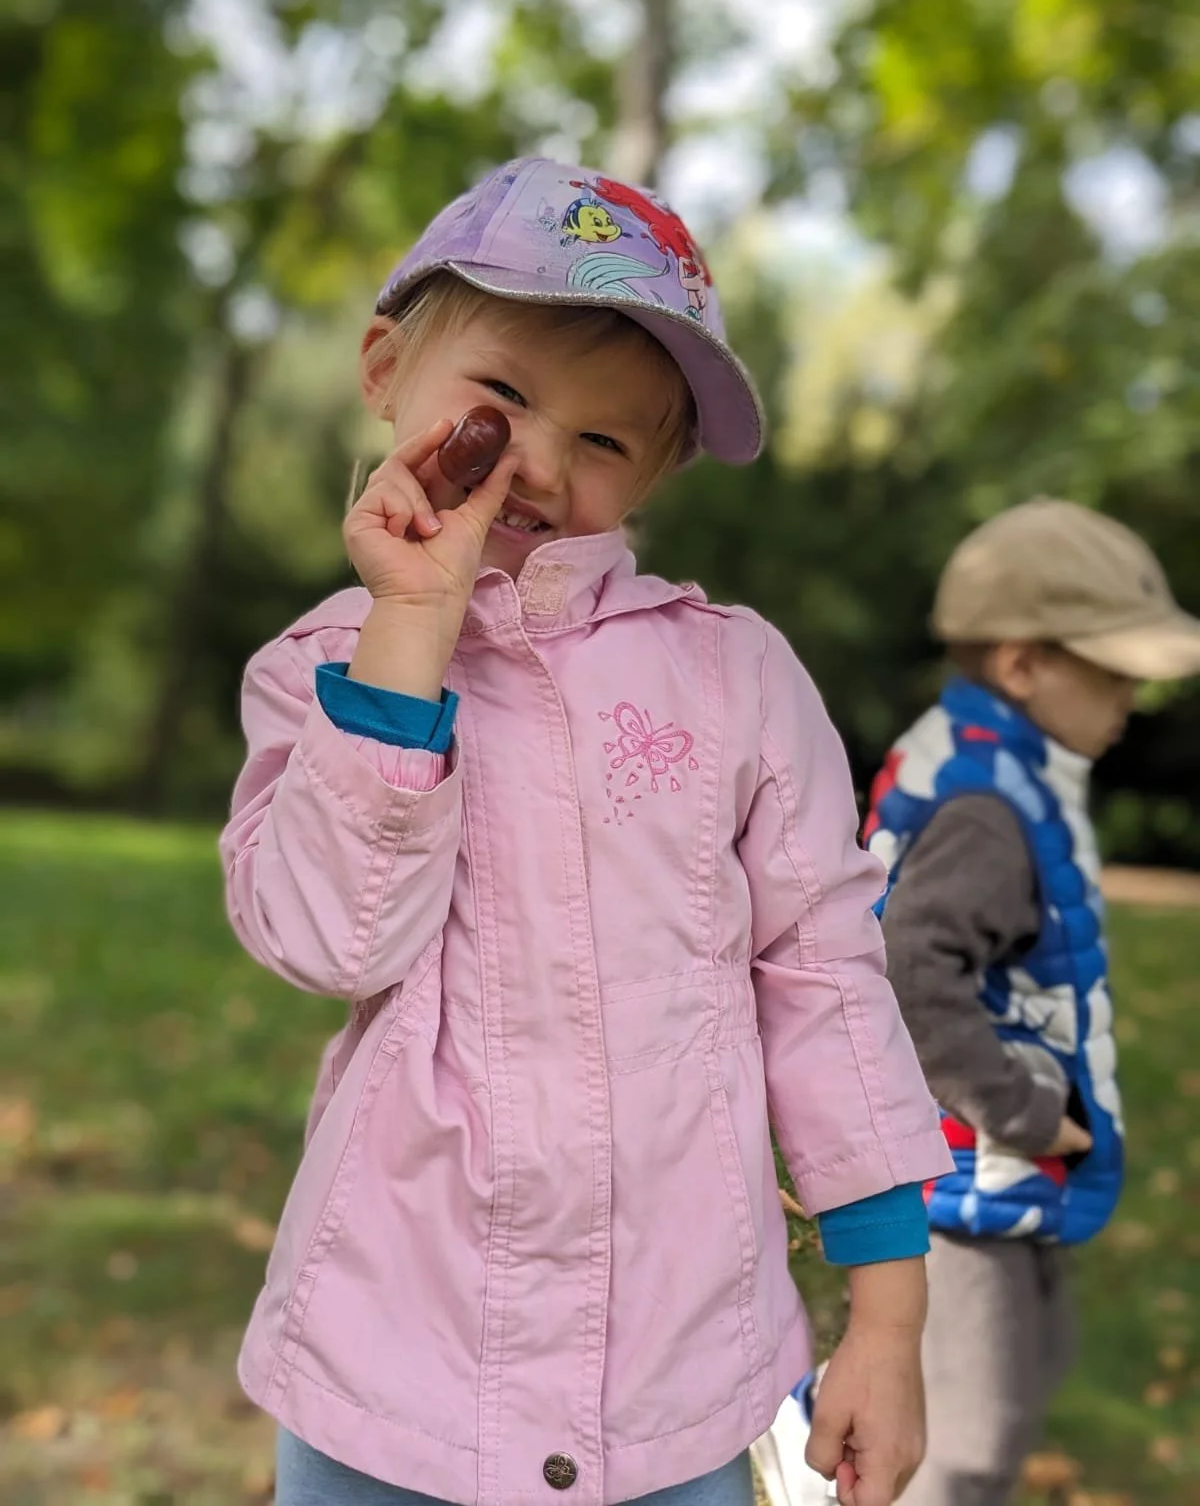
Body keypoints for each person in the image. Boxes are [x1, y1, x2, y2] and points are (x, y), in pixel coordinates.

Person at [221, 156, 952, 1506]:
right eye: (501, 397)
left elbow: (826, 985)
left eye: (607, 442)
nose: (544, 464)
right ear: (386, 369)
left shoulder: (734, 678)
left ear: (659, 471)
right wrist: (412, 631)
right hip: (387, 1373)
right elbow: (331, 941)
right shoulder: (322, 670)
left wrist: (889, 1317)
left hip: (668, 1391)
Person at [863, 499, 1200, 1506]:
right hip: (968, 1174)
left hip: (995, 1171)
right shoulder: (988, 808)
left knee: (1028, 1369)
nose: (1133, 696)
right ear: (1022, 664)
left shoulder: (1005, 768)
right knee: (967, 1442)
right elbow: (910, 970)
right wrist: (1018, 1110)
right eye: (1113, 672)